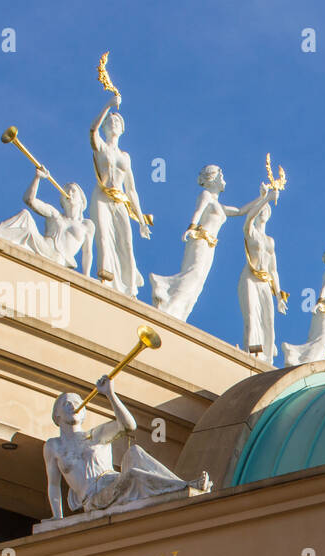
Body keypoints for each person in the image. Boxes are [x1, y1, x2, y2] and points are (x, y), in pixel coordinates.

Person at [44, 375, 210, 520]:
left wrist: (110, 393)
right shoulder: (54, 446)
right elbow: (53, 485)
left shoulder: (95, 435)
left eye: (77, 403)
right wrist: (57, 517)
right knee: (133, 476)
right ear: (56, 415)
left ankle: (183, 485)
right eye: (66, 403)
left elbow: (128, 426)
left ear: (83, 413)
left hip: (114, 482)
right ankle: (185, 488)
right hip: (94, 498)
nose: (73, 406)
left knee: (134, 452)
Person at [150, 165, 249, 321]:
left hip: (210, 245)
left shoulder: (222, 207)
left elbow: (242, 211)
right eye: (221, 176)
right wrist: (191, 228)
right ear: (213, 178)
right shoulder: (206, 195)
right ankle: (166, 294)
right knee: (194, 272)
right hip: (201, 239)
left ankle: (179, 312)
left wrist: (266, 197)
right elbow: (198, 211)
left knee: (199, 281)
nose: (224, 180)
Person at [89, 92, 151, 296]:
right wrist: (108, 105)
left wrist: (141, 219)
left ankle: (130, 287)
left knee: (126, 243)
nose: (113, 123)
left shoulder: (125, 157)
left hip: (120, 200)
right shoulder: (101, 147)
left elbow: (131, 190)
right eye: (110, 121)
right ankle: (105, 278)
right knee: (104, 237)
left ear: (122, 129)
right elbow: (92, 130)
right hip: (102, 197)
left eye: (117, 121)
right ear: (105, 127)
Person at [0, 166, 93, 273]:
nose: (69, 193)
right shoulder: (55, 215)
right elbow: (29, 200)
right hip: (44, 246)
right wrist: (37, 178)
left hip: (58, 257)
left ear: (81, 200)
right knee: (25, 215)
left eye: (73, 191)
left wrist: (87, 277)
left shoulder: (86, 225)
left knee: (28, 232)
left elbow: (87, 252)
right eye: (67, 191)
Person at [235, 183, 285, 361]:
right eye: (260, 209)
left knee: (269, 321)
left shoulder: (270, 241)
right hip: (250, 279)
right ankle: (253, 353)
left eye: (266, 209)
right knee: (252, 316)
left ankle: (266, 358)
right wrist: (266, 198)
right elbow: (248, 218)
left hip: (265, 282)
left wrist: (279, 295)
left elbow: (274, 270)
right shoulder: (251, 232)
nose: (263, 211)